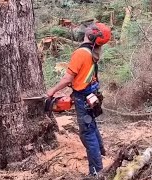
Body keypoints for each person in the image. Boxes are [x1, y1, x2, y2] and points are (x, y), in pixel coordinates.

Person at [46, 22, 111, 176]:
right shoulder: (92, 52)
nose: (87, 28)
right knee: (91, 127)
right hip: (89, 94)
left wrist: (52, 90)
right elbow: (83, 77)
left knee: (87, 134)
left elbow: (68, 78)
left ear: (92, 34)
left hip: (84, 98)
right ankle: (101, 152)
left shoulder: (81, 53)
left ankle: (96, 172)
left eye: (91, 28)